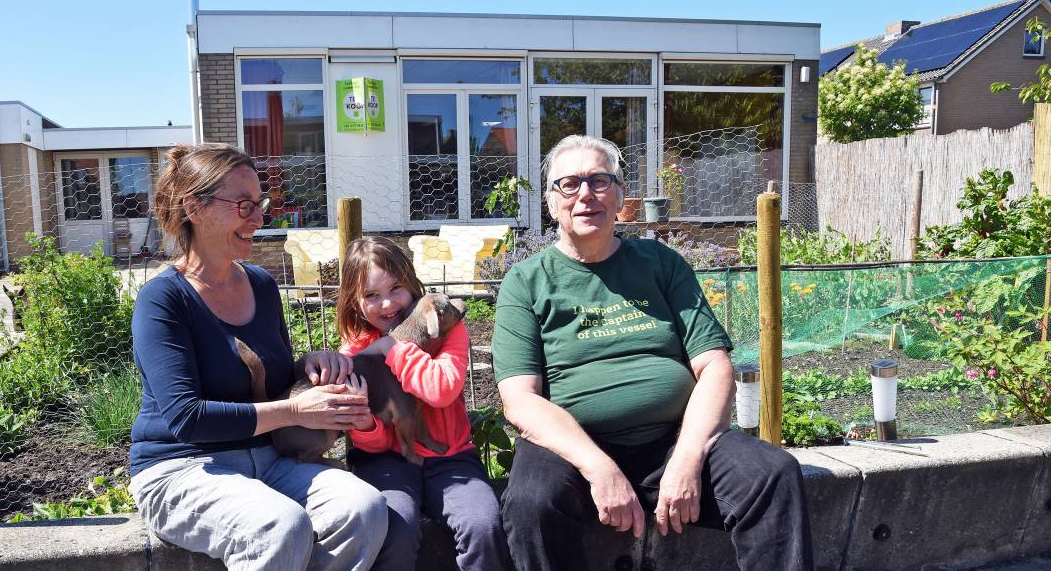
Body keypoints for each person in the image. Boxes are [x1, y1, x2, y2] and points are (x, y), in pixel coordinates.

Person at [492, 135, 813, 571]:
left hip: (672, 440)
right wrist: (599, 469)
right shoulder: (526, 281)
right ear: (551, 203)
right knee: (531, 504)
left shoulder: (661, 263)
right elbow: (520, 399)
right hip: (574, 451)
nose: (586, 194)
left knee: (773, 474)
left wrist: (687, 458)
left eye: (600, 181)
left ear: (621, 195)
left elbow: (714, 365)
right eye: (569, 184)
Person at [128, 143, 387, 571]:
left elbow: (268, 374)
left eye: (260, 204)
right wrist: (295, 410)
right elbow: (186, 417)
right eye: (244, 205)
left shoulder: (262, 285)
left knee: (362, 507)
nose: (260, 218)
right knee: (278, 525)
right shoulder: (163, 299)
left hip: (267, 460)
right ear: (195, 207)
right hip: (181, 469)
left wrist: (309, 364)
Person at [336, 236, 511, 571]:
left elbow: (442, 390)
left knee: (482, 525)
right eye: (372, 295)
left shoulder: (446, 328)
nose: (387, 304)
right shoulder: (354, 353)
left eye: (396, 288)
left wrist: (394, 348)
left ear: (412, 284)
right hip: (384, 461)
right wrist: (366, 425)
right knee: (393, 529)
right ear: (355, 302)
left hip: (451, 457)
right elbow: (372, 437)